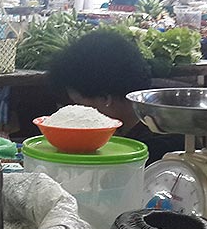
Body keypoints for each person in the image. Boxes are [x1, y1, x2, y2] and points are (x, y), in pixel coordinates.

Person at [48, 30, 184, 164]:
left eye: (79, 103)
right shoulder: (136, 121)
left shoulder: (160, 145)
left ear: (106, 99)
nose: (78, 111)